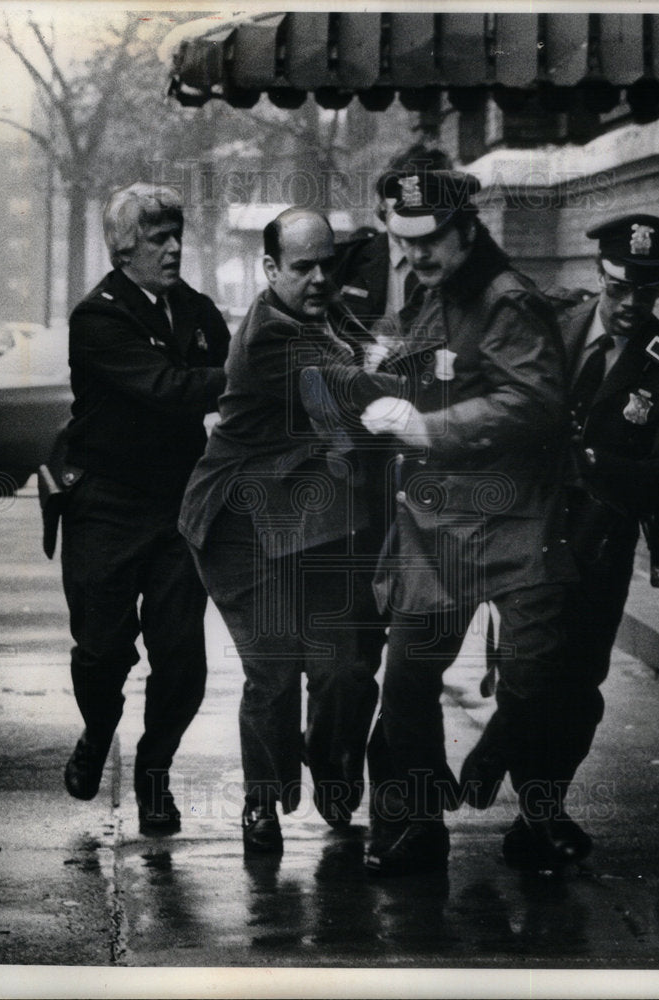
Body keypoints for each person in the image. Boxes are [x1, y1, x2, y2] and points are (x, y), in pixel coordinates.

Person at [341, 168, 578, 876]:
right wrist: (387, 371)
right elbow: (437, 365)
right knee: (408, 676)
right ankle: (419, 822)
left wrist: (427, 427)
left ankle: (504, 776)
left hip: (508, 520)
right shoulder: (430, 291)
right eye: (405, 240)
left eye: (431, 239)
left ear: (466, 229)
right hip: (439, 527)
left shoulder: (506, 299)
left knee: (535, 682)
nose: (417, 254)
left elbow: (533, 402)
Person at [462, 213, 659, 870]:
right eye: (618, 289)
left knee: (573, 688)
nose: (630, 306)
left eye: (647, 293)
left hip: (594, 549)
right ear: (599, 275)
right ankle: (528, 788)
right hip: (520, 533)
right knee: (524, 670)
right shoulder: (551, 325)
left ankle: (532, 804)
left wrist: (590, 462)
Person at [179, 208, 387, 854]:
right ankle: (261, 803)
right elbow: (355, 388)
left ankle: (328, 766)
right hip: (241, 522)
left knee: (345, 669)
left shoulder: (328, 317)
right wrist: (429, 373)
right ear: (271, 270)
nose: (320, 277)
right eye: (302, 267)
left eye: (328, 263)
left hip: (313, 520)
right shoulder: (274, 334)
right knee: (273, 671)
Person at [59, 183, 230, 835]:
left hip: (176, 506)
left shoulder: (194, 308)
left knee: (182, 656)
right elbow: (168, 388)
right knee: (102, 652)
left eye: (176, 234)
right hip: (104, 503)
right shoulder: (97, 318)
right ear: (124, 248)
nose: (173, 247)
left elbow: (229, 364)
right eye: (158, 238)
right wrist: (243, 377)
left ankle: (154, 775)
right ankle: (98, 730)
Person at [332, 145, 453, 326]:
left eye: (425, 202)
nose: (410, 212)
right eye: (399, 200)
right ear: (382, 203)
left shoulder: (461, 262)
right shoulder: (346, 261)